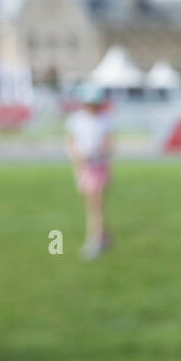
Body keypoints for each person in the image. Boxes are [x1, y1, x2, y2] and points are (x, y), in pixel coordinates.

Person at [66, 85, 114, 259]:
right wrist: (77, 156)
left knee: (96, 205)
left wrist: (95, 153)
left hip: (98, 167)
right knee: (91, 205)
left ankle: (94, 241)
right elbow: (71, 141)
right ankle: (105, 235)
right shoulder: (76, 120)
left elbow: (109, 143)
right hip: (83, 167)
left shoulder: (104, 119)